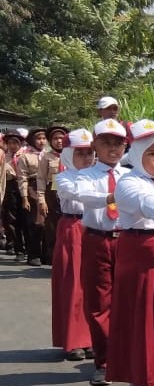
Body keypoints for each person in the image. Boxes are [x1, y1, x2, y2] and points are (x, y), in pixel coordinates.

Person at [107, 120, 154, 386]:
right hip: (140, 255)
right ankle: (137, 385)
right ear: (137, 155)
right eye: (151, 153)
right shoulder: (129, 182)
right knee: (140, 320)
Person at [75, 119, 130, 386]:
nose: (113, 148)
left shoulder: (131, 175)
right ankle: (104, 361)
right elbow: (83, 196)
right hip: (98, 240)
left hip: (128, 241)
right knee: (99, 303)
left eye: (118, 143)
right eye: (106, 142)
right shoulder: (85, 175)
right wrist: (112, 197)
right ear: (95, 145)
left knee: (130, 301)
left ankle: (128, 357)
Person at [52, 129, 95, 361]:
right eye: (80, 153)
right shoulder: (63, 177)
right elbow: (80, 195)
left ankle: (92, 338)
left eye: (90, 153)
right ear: (69, 155)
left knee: (93, 284)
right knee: (73, 283)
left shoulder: (99, 174)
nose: (87, 158)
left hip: (94, 229)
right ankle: (73, 340)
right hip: (73, 228)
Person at [17, 127, 47, 266]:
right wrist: (24, 197)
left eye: (44, 138)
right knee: (35, 223)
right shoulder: (25, 156)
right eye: (38, 138)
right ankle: (33, 254)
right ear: (31, 140)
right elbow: (22, 178)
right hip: (32, 189)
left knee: (48, 223)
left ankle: (46, 253)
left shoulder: (49, 155)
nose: (42, 141)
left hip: (48, 188)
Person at [37, 125, 67, 265]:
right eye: (55, 138)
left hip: (69, 193)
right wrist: (41, 200)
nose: (59, 141)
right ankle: (54, 259)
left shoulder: (72, 155)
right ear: (50, 141)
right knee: (52, 228)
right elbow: (41, 179)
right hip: (52, 193)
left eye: (61, 138)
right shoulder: (46, 157)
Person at [2, 130, 28, 261]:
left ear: (20, 143)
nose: (12, 146)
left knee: (26, 219)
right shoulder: (4, 157)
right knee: (12, 219)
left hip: (25, 187)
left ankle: (31, 248)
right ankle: (18, 249)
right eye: (10, 143)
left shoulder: (26, 154)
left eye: (15, 143)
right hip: (10, 187)